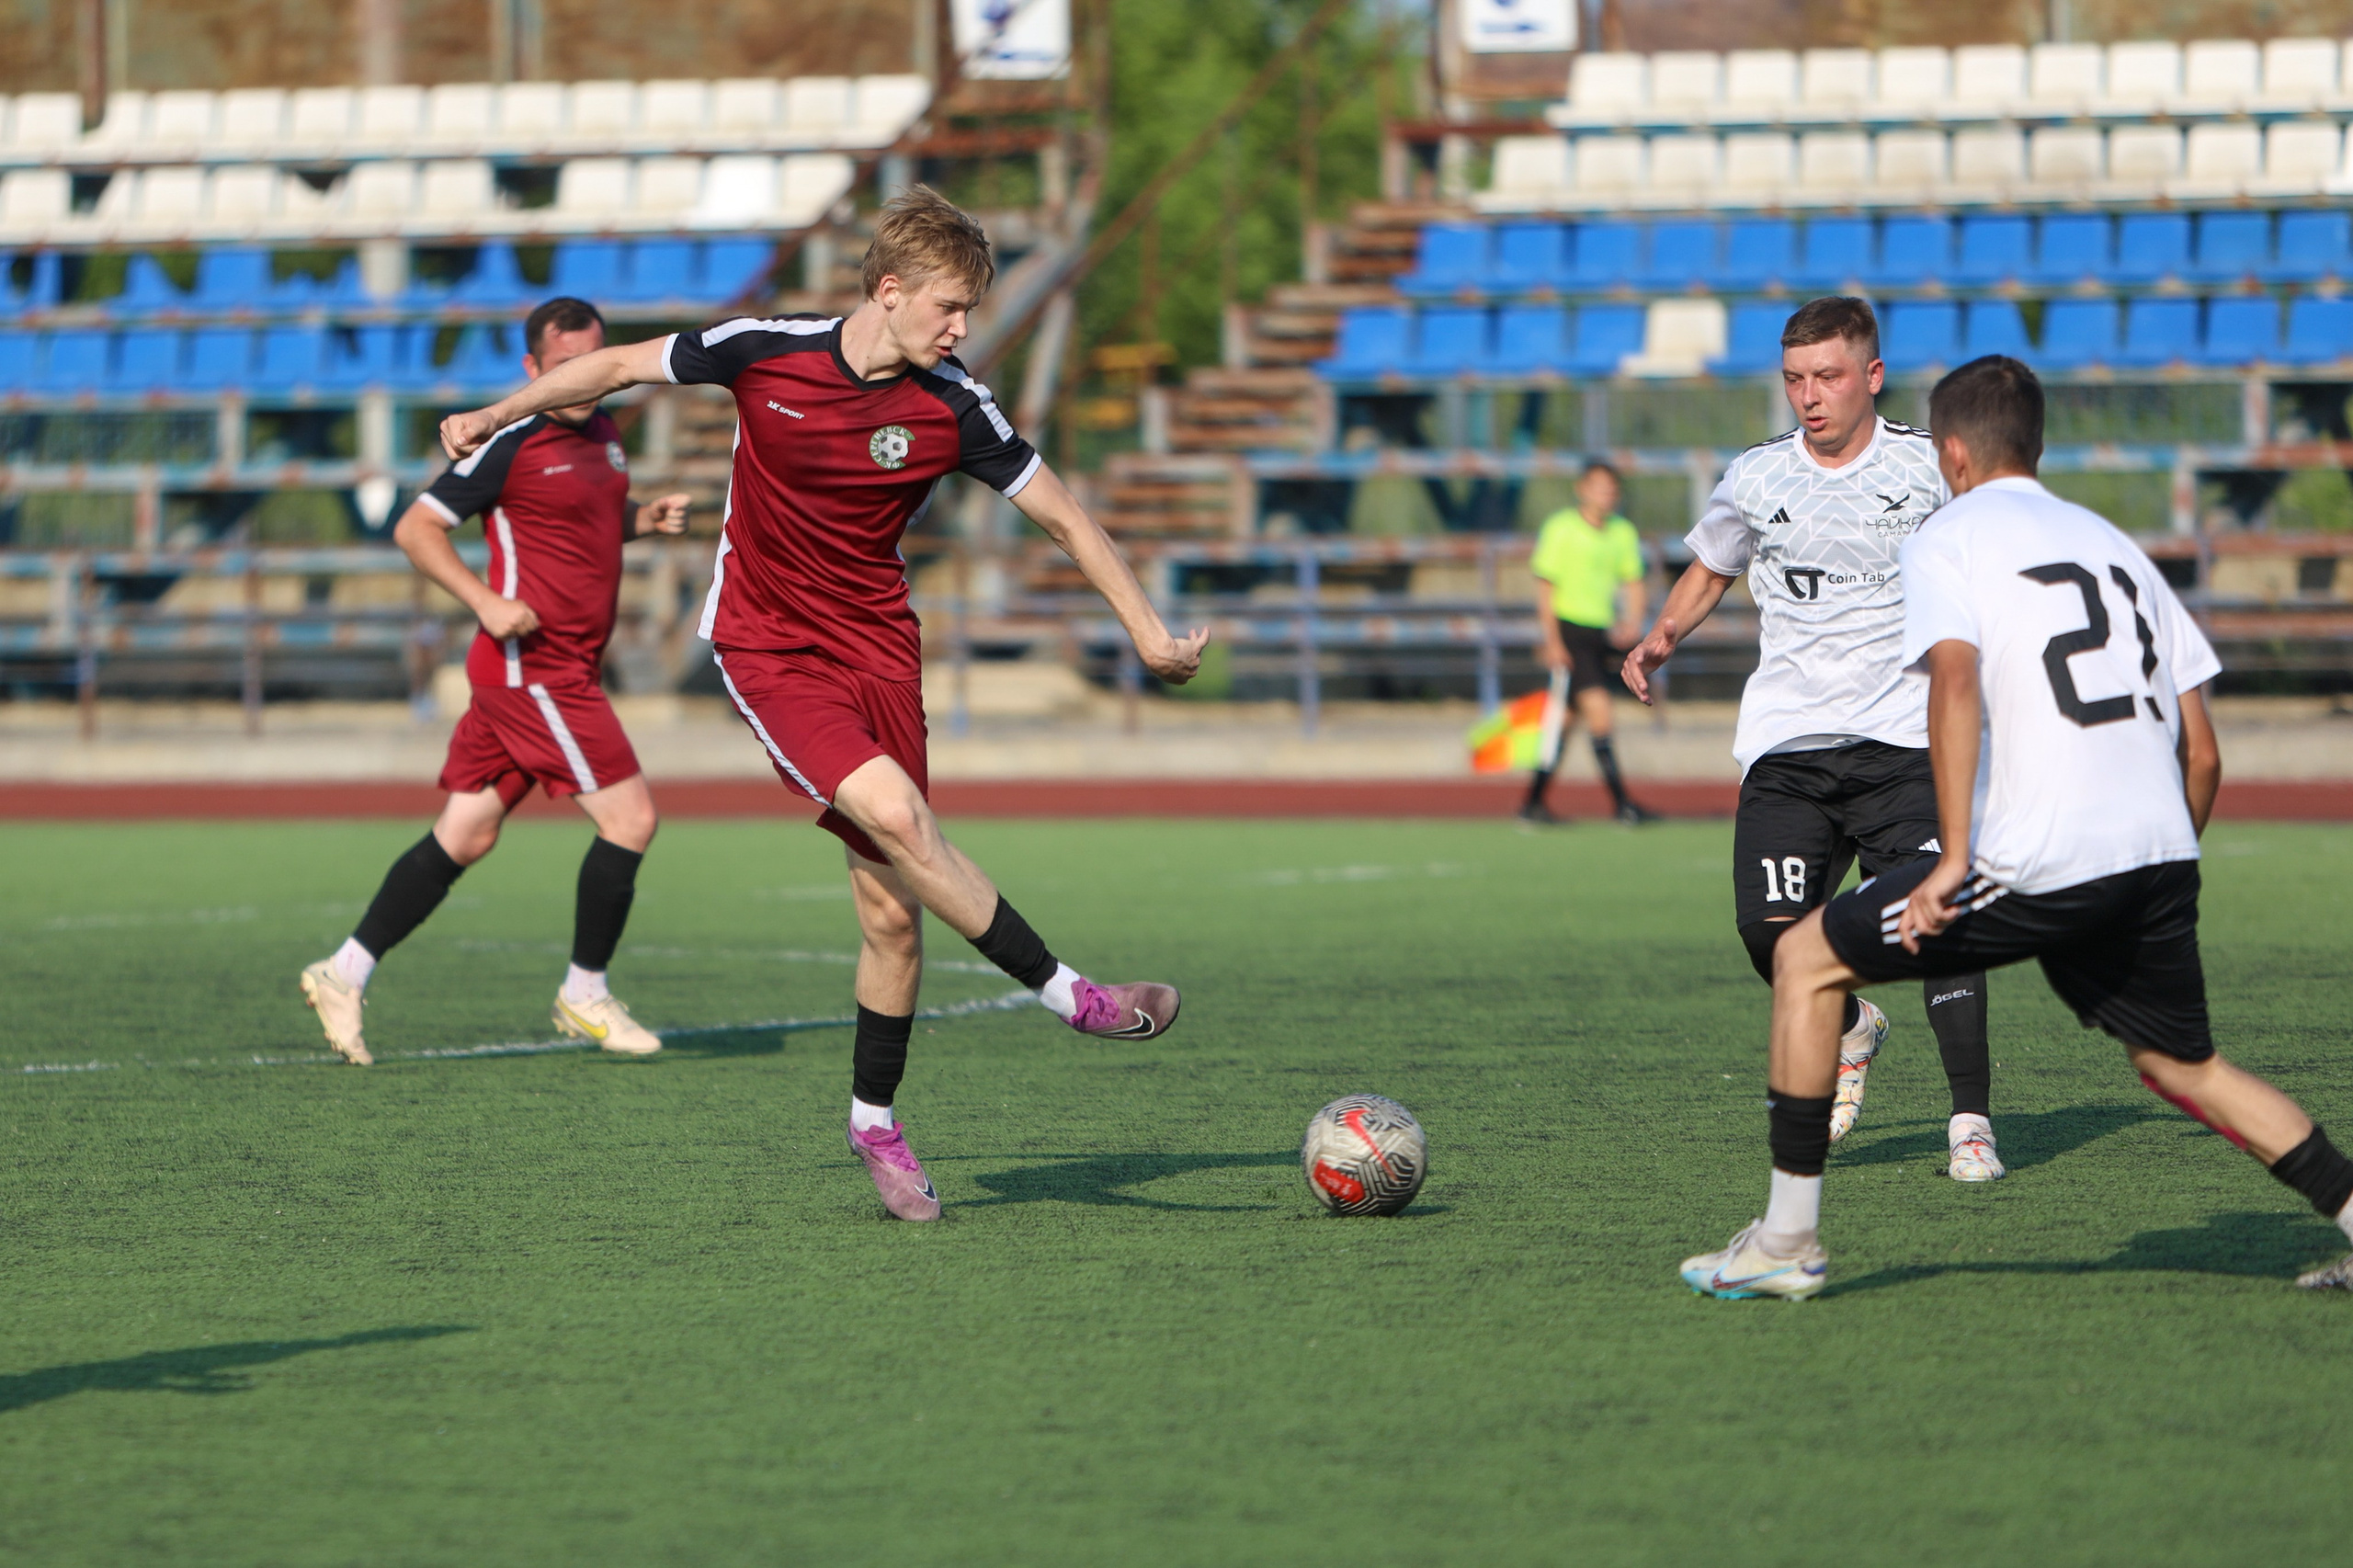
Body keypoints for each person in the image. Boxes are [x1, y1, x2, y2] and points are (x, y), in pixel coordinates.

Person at [432, 187, 1206, 1222]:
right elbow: (615, 367)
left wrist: (1148, 630)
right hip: (770, 646)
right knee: (898, 817)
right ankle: (1076, 995)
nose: (962, 328)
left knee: (893, 910)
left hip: (880, 649)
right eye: (947, 306)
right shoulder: (764, 348)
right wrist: (493, 412)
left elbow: (1063, 516)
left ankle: (874, 1124)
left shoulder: (953, 403)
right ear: (888, 291)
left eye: (968, 311)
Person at [1680, 354, 2353, 1301]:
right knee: (2180, 1062)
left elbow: (1952, 683)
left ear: (1950, 452)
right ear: (2036, 444)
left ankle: (1786, 1239)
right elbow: (2202, 751)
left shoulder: (1949, 536)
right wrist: (2163, 859)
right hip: (2158, 849)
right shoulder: (2118, 546)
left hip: (2044, 851)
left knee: (1802, 958)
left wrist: (1953, 857)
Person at [1621, 296, 2002, 1178]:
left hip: (1907, 742)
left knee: (1936, 924)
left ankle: (1970, 1123)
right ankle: (1853, 1024)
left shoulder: (1930, 467)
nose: (1810, 396)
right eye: (1795, 380)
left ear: (1871, 376)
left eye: (1828, 376)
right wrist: (1662, 635)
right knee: (1773, 938)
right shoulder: (1757, 476)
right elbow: (1714, 562)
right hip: (1789, 743)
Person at [300, 296, 691, 1066]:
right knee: (631, 820)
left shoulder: (606, 432)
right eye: (563, 367)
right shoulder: (510, 441)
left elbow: (580, 519)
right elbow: (417, 527)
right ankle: (584, 993)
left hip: (560, 668)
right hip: (531, 672)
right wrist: (483, 600)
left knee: (467, 833)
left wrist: (642, 519)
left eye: (591, 365)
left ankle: (343, 971)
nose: (581, 382)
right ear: (531, 370)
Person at [1518, 460, 1655, 826]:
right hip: (1570, 632)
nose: (1606, 495)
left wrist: (1633, 621)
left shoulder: (1622, 532)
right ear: (1582, 489)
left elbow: (1634, 581)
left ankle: (1532, 805)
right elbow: (1545, 587)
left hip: (1600, 634)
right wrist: (1551, 641)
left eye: (1612, 489)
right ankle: (1623, 805)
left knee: (1563, 723)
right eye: (1599, 487)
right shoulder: (1561, 528)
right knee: (1600, 713)